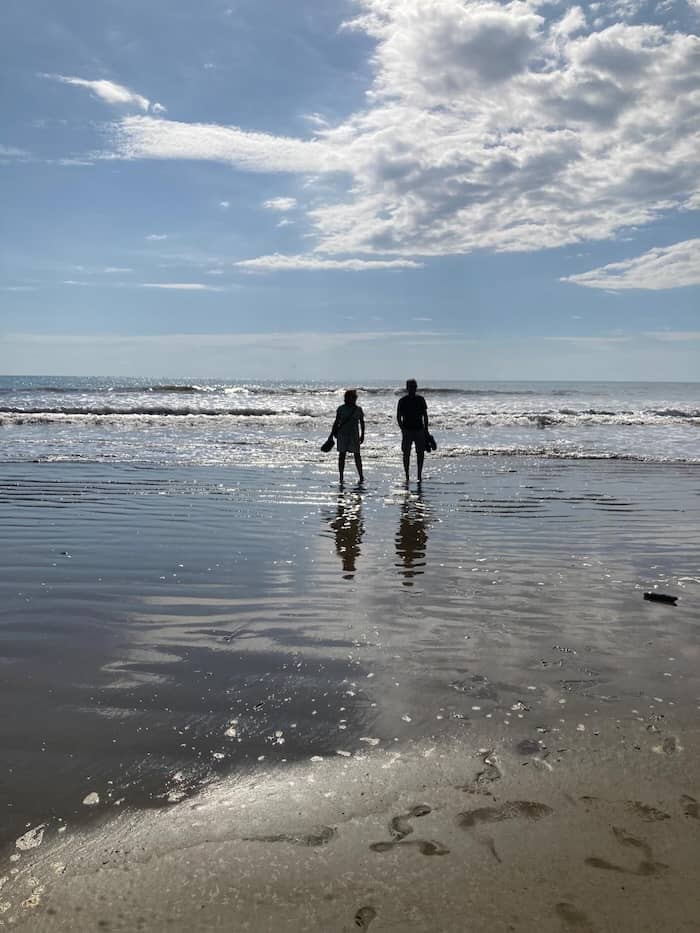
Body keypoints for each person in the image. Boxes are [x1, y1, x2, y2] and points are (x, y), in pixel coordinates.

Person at [397, 378, 428, 483]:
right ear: (407, 388)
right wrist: (402, 429)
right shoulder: (402, 401)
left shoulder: (421, 399)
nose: (412, 389)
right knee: (406, 453)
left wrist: (426, 430)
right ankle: (407, 476)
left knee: (420, 453)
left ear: (416, 388)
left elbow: (425, 416)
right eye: (410, 387)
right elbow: (398, 417)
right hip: (407, 430)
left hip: (419, 429)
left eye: (414, 387)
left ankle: (419, 474)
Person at [332, 389, 365, 484]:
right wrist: (333, 432)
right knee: (342, 455)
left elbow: (362, 423)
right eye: (348, 397)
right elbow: (337, 421)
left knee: (357, 455)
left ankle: (361, 476)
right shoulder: (341, 409)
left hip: (354, 435)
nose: (351, 399)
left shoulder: (358, 409)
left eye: (353, 398)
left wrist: (362, 435)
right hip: (342, 435)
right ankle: (341, 477)